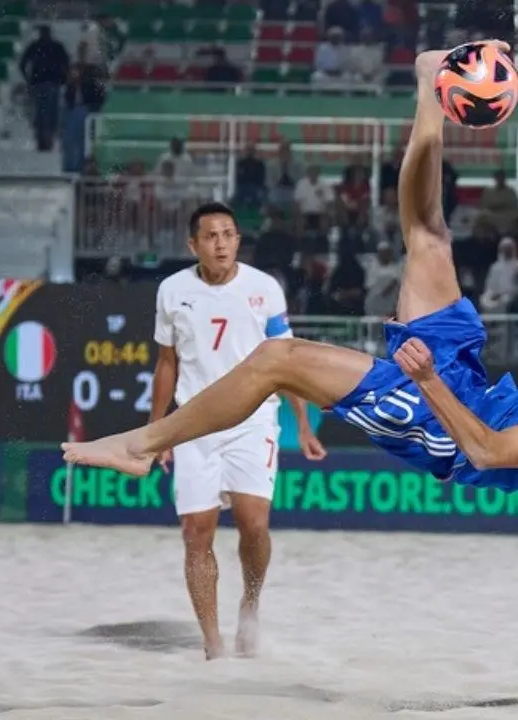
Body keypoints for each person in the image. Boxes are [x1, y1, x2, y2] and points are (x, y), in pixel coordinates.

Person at [62, 42, 518, 506]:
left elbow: (485, 451)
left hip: (448, 430)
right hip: (468, 392)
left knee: (276, 358)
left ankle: (143, 446)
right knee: (428, 238)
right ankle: (431, 82)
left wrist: (427, 381)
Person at [150, 201, 327, 660]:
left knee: (254, 525)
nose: (222, 243)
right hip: (193, 424)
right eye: (211, 236)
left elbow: (288, 364)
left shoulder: (264, 289)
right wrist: (158, 431)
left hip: (253, 421)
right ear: (194, 245)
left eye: (229, 234)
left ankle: (250, 603)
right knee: (196, 532)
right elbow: (166, 364)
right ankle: (213, 646)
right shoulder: (172, 291)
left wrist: (304, 426)